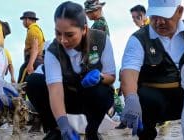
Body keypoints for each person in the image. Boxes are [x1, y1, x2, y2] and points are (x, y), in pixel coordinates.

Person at [120, 0, 184, 139]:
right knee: (143, 98)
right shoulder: (139, 38)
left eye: (165, 16)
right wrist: (131, 98)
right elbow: (129, 71)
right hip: (155, 98)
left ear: (179, 12)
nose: (159, 22)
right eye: (154, 17)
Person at [25, 1, 116, 140]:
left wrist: (100, 76)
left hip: (90, 98)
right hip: (66, 97)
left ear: (84, 29)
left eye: (69, 35)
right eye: (58, 33)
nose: (63, 40)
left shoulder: (102, 40)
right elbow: (55, 90)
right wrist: (63, 124)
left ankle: (92, 131)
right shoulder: (52, 50)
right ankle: (55, 129)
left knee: (104, 92)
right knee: (33, 82)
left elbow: (112, 77)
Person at [18, 11, 45, 83]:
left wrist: (30, 65)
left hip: (33, 61)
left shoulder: (33, 30)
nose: (23, 22)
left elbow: (35, 48)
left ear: (27, 19)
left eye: (23, 20)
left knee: (21, 86)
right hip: (38, 60)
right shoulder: (37, 29)